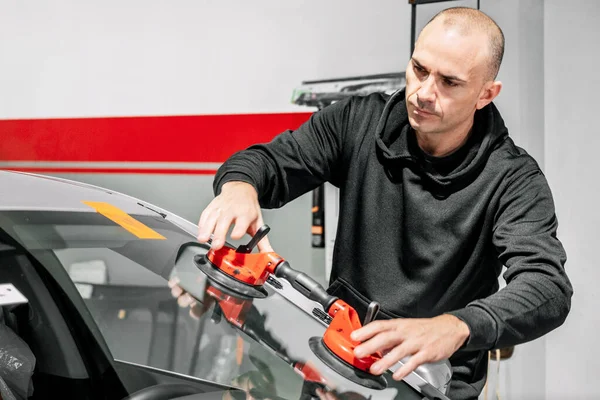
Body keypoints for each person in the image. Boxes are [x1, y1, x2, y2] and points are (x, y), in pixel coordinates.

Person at [187, 7, 573, 400]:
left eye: (449, 82)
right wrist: (239, 186)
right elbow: (266, 162)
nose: (424, 92)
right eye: (419, 69)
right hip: (337, 365)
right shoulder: (358, 121)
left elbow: (548, 286)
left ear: (486, 94)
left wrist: (455, 327)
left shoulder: (513, 178)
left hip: (429, 385)